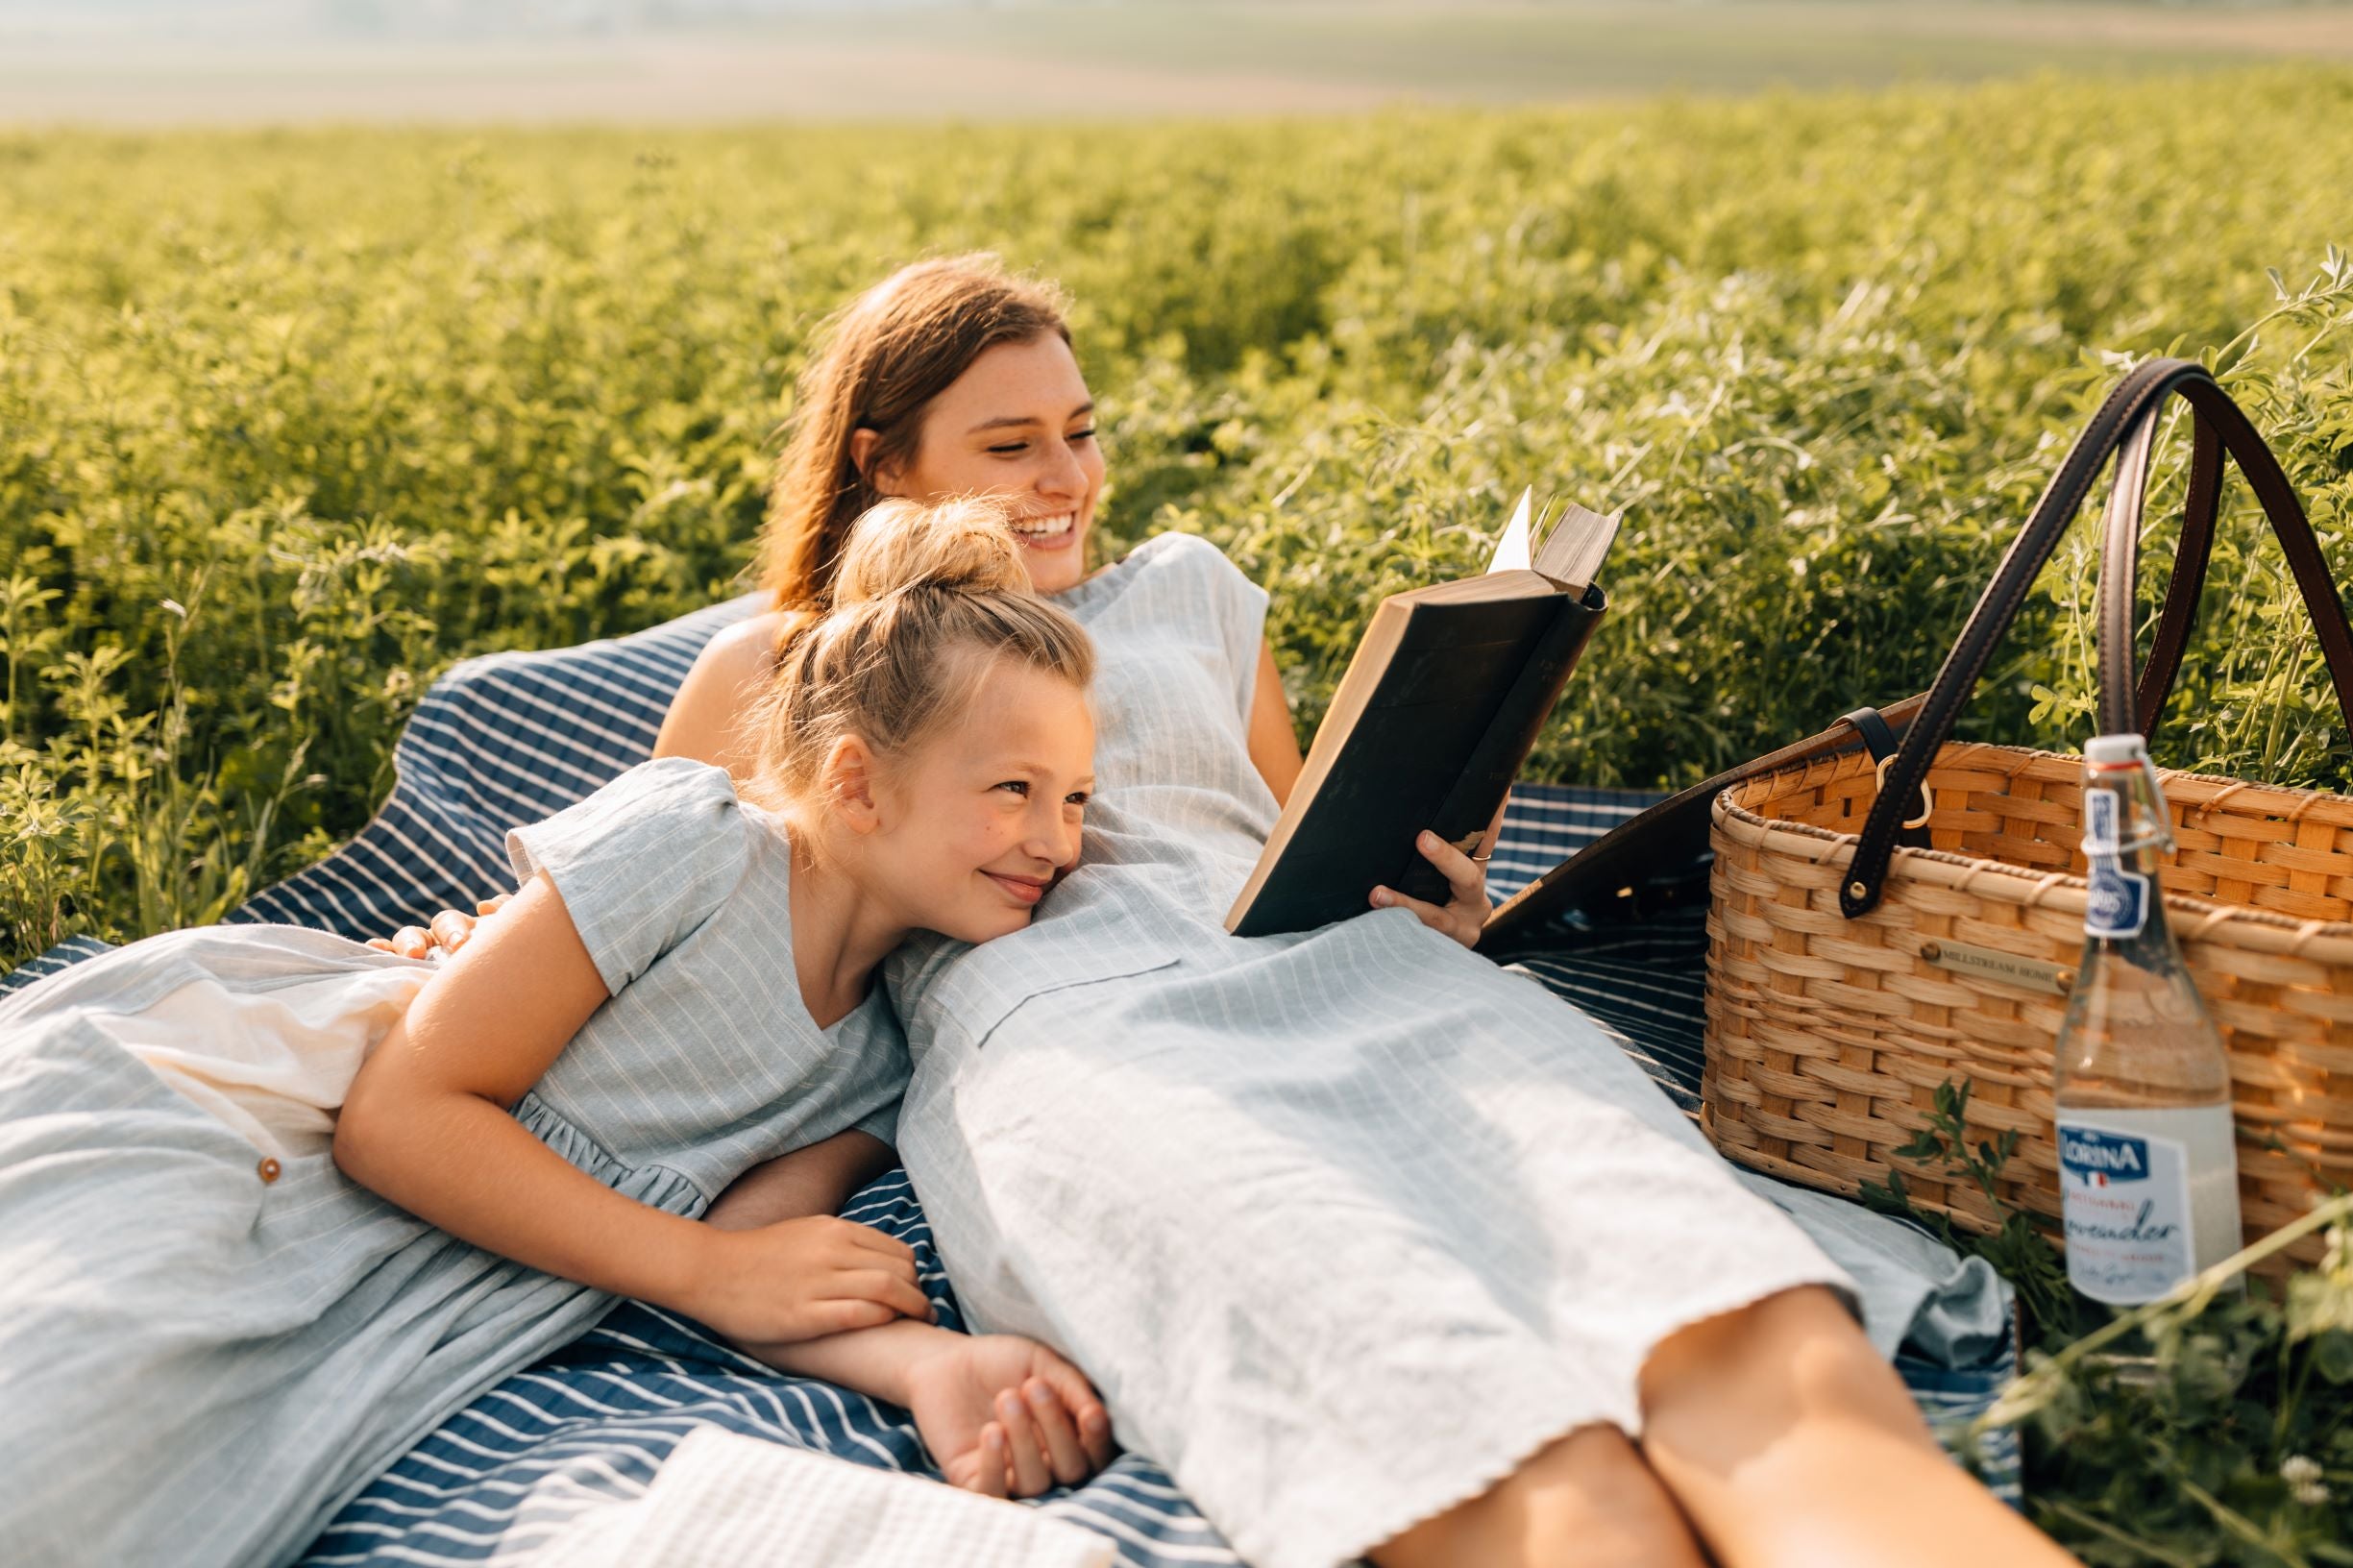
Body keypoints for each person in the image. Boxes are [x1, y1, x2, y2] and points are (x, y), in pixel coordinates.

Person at [403, 256, 2077, 1568]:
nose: (1064, 476)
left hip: (1346, 976)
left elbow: (1287, 837)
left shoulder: (1192, 591)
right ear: (880, 456)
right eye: (1008, 444)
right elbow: (710, 932)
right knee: (1511, 1460)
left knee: (1753, 1355)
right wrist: (473, 965)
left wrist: (1432, 901)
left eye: (1079, 427)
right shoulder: (784, 671)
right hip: (1071, 1051)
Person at [0, 500, 1117, 1568]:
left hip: (449, 1279)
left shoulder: (886, 1048)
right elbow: (396, 1117)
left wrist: (932, 1367)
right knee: (53, 1438)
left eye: (1073, 799)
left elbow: (759, 1274)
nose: (1056, 844)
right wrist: (703, 1265)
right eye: (1015, 789)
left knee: (152, 1518)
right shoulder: (700, 843)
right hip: (279, 1140)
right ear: (857, 785)